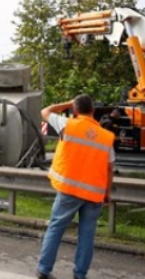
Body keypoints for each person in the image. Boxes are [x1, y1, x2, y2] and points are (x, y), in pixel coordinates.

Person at [37, 95, 115, 279]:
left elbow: (45, 111)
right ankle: (80, 274)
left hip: (69, 191)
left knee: (56, 228)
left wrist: (67, 103)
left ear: (75, 110)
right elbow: (110, 167)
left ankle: (44, 270)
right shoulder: (106, 136)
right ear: (93, 111)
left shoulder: (67, 125)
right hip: (94, 193)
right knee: (87, 235)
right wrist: (107, 193)